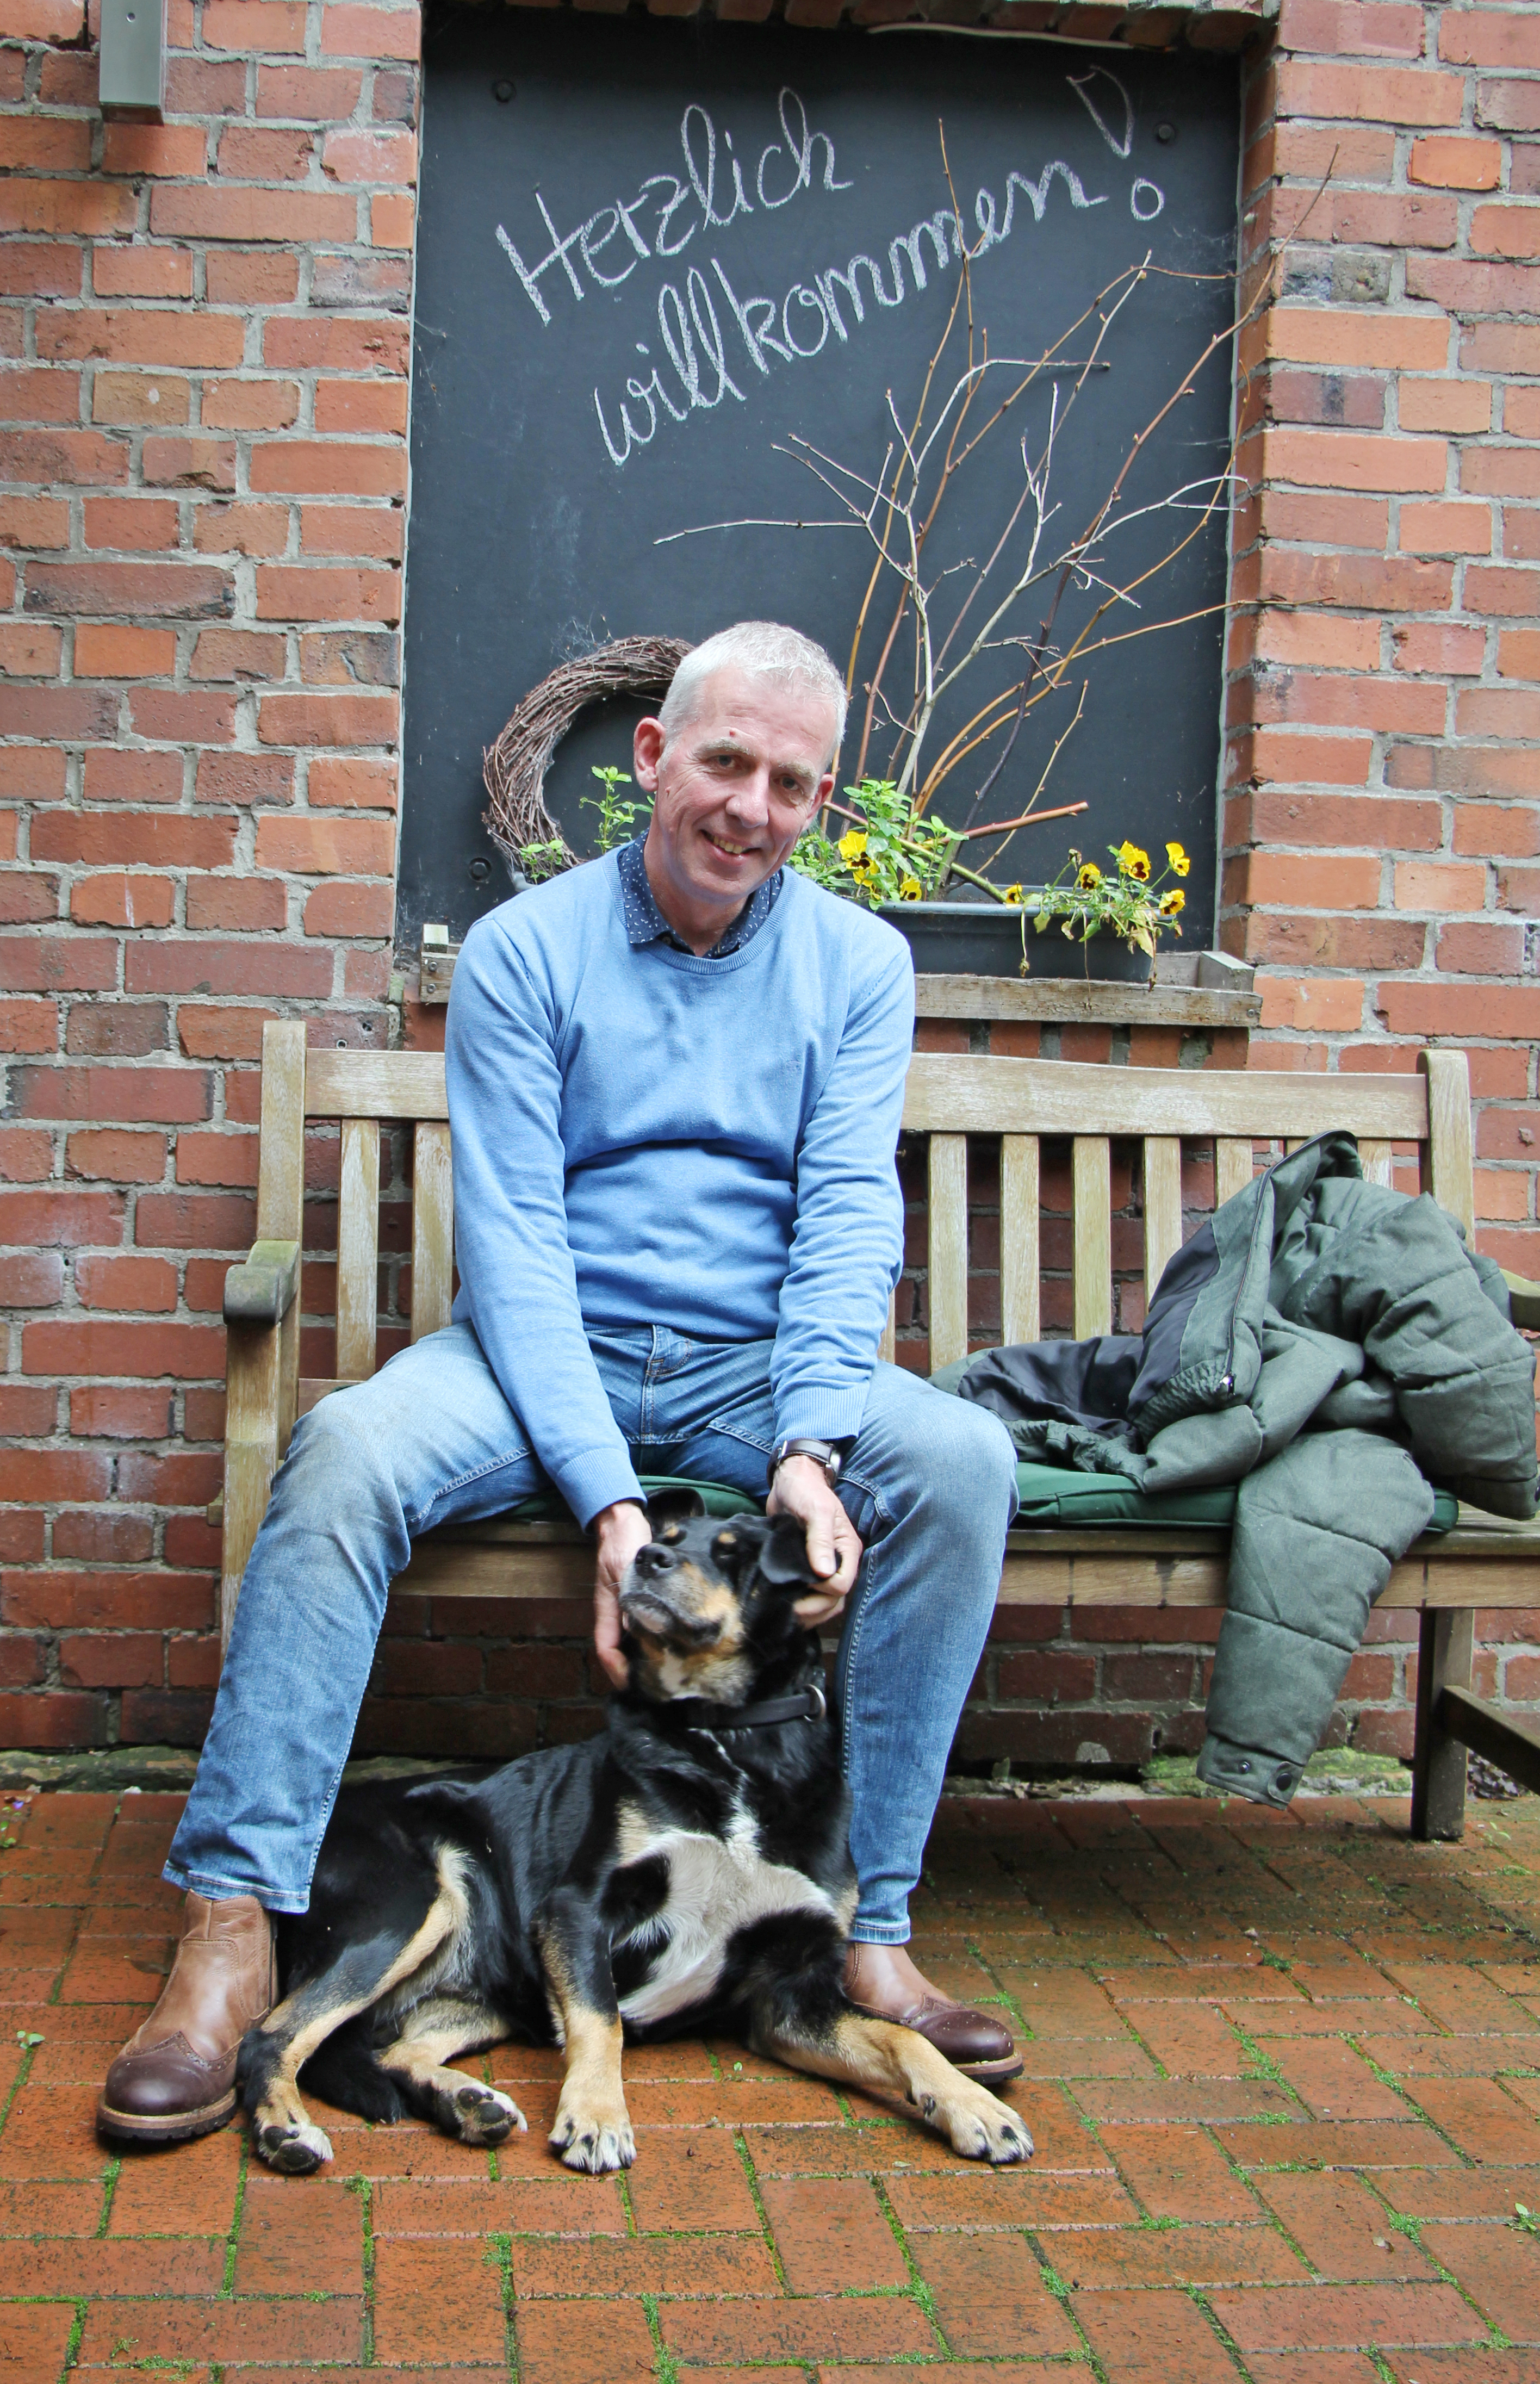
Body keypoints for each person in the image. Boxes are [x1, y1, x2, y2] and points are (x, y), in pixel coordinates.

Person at [98, 619, 1021, 2146]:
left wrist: (809, 1442)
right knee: (342, 1453)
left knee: (962, 1462)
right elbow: (515, 1245)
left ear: (821, 802)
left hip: (746, 1370)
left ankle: (870, 1925)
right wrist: (608, 1501)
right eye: (726, 762)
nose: (753, 807)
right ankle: (233, 1926)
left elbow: (851, 1213)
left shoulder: (858, 966)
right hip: (542, 1355)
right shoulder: (531, 953)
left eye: (794, 783)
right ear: (652, 758)